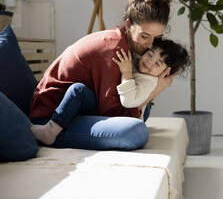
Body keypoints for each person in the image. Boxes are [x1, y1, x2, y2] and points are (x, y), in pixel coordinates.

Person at [29, 0, 175, 151]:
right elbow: (112, 113)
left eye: (156, 38)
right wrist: (156, 89)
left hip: (81, 106)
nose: (151, 45)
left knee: (144, 108)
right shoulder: (115, 50)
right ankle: (49, 134)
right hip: (53, 114)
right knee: (136, 130)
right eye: (145, 36)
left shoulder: (122, 42)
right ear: (129, 25)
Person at [31, 38, 190, 146]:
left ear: (165, 72)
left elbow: (128, 101)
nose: (149, 61)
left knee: (77, 91)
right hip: (116, 107)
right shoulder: (143, 67)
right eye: (150, 54)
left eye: (158, 63)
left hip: (120, 113)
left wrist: (127, 73)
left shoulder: (149, 82)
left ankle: (51, 130)